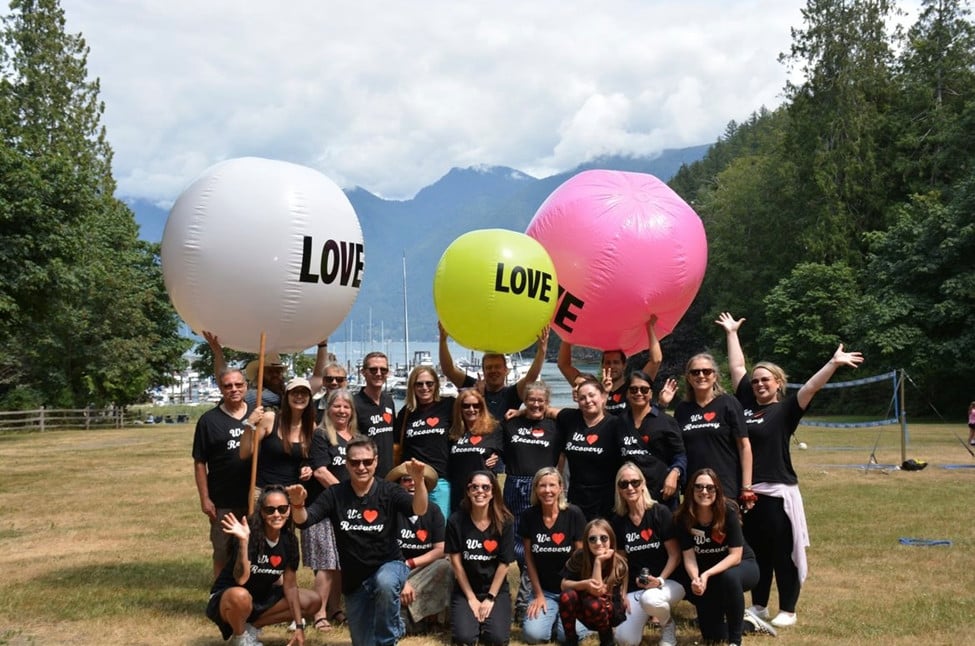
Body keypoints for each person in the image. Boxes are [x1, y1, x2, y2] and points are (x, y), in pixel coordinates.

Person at [718, 312, 864, 628]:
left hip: (778, 492)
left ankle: (788, 608)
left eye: (765, 380)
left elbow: (810, 388)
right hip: (749, 491)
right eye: (756, 381)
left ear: (778, 383)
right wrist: (732, 333)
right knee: (756, 553)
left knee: (783, 552)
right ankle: (758, 605)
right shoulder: (745, 405)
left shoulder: (785, 410)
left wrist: (833, 363)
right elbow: (737, 368)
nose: (758, 384)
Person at [290, 435, 430, 646]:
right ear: (346, 463)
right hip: (355, 581)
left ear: (376, 461)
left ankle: (390, 636)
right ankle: (393, 625)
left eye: (367, 461)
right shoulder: (336, 494)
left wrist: (419, 481)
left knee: (385, 583)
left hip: (389, 565)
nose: (361, 467)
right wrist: (298, 505)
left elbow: (419, 509)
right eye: (355, 462)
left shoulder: (389, 491)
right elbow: (304, 521)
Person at [205, 484, 321, 646]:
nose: (276, 514)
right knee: (241, 596)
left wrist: (299, 627)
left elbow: (291, 587)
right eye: (270, 510)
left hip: (260, 598)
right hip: (229, 599)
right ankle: (239, 638)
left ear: (289, 510)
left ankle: (251, 627)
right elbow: (241, 579)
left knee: (313, 600)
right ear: (261, 511)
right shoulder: (249, 534)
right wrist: (244, 542)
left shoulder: (289, 540)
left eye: (282, 509)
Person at [502, 381, 567, 620]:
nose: (536, 404)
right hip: (515, 486)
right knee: (518, 543)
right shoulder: (511, 424)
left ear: (547, 403)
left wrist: (557, 484)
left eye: (541, 400)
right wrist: (519, 413)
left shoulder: (555, 426)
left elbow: (561, 456)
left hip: (544, 487)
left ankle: (526, 599)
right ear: (524, 401)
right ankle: (526, 593)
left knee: (539, 540)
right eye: (531, 400)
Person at [674, 469, 759, 646]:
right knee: (711, 635)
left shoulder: (727, 511)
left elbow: (735, 556)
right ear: (691, 490)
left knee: (729, 577)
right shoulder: (683, 517)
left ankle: (735, 641)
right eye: (699, 487)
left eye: (710, 488)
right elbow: (688, 556)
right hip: (709, 573)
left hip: (741, 566)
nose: (704, 492)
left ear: (717, 490)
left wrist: (706, 575)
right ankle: (749, 623)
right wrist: (696, 579)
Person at [611, 463, 685, 646]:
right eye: (624, 484)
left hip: (668, 582)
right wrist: (622, 594)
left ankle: (667, 626)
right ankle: (645, 614)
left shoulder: (660, 513)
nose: (630, 487)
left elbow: (675, 555)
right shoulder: (618, 521)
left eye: (635, 482)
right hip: (637, 590)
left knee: (651, 598)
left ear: (643, 484)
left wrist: (659, 580)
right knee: (625, 640)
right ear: (619, 490)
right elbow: (622, 563)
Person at [304, 388, 358, 632]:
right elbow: (320, 471)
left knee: (339, 561)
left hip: (347, 509)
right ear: (328, 408)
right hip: (324, 506)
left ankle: (336, 608)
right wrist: (350, 495)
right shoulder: (321, 434)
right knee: (326, 561)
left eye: (346, 406)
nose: (342, 410)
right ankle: (319, 613)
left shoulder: (356, 437)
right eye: (337, 406)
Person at [193, 368, 254, 577]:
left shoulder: (257, 415)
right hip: (222, 499)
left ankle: (250, 591)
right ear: (220, 389)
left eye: (238, 384)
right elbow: (200, 462)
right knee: (222, 550)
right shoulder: (208, 421)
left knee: (252, 548)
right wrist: (205, 499)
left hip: (252, 496)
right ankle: (219, 593)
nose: (234, 389)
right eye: (228, 386)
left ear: (246, 386)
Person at [673, 354, 754, 508]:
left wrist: (747, 487)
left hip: (725, 486)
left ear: (715, 376)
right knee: (697, 532)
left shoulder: (728, 403)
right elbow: (678, 450)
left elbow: (744, 446)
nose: (701, 375)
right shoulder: (682, 410)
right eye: (695, 372)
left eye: (706, 371)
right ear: (688, 378)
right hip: (695, 487)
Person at [445, 470, 515, 646]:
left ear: (493, 493)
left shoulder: (505, 521)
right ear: (468, 491)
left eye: (485, 487)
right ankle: (473, 622)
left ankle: (488, 620)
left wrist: (490, 598)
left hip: (495, 590)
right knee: (465, 639)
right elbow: (456, 563)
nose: (480, 491)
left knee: (497, 640)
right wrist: (471, 598)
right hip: (466, 589)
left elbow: (504, 563)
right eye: (474, 487)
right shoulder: (456, 520)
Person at [519, 467, 588, 644]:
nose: (547, 490)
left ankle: (565, 617)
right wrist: (538, 594)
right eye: (542, 486)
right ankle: (552, 614)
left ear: (560, 488)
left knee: (569, 637)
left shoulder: (574, 514)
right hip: (546, 592)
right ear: (535, 489)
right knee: (534, 636)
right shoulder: (529, 516)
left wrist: (578, 592)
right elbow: (529, 559)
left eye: (552, 485)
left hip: (572, 590)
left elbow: (581, 558)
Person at [386, 462, 451, 635]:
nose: (412, 483)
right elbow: (383, 549)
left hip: (421, 570)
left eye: (418, 479)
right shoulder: (391, 510)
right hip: (392, 567)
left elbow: (441, 549)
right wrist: (401, 576)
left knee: (446, 565)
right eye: (407, 480)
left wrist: (409, 563)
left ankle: (411, 613)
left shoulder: (434, 510)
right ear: (399, 485)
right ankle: (417, 619)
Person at [439, 322, 549, 421]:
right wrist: (443, 341)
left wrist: (541, 351)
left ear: (506, 370)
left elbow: (531, 377)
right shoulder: (474, 388)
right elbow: (448, 370)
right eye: (489, 367)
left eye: (497, 367)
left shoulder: (512, 394)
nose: (493, 370)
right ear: (483, 370)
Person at [557, 317, 663, 416]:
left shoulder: (633, 388)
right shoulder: (594, 390)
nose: (611, 366)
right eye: (607, 362)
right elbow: (564, 365)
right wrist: (567, 334)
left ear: (624, 365)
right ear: (602, 365)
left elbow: (656, 361)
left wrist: (649, 327)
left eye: (616, 362)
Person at [557, 376, 624, 520]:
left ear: (603, 397)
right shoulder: (570, 418)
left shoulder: (616, 425)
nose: (588, 401)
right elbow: (545, 410)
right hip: (576, 497)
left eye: (592, 395)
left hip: (606, 499)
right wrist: (520, 412)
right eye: (582, 398)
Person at [394, 365, 456, 517]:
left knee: (439, 528)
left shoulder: (449, 405)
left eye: (429, 383)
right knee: (412, 529)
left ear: (436, 384)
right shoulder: (406, 412)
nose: (424, 387)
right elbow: (396, 444)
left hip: (439, 480)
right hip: (412, 481)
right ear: (412, 387)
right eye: (419, 384)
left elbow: (475, 417)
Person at [619, 370, 685, 510]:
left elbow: (680, 455)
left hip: (662, 493)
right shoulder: (619, 423)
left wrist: (674, 473)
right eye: (633, 389)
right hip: (630, 494)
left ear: (651, 393)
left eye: (644, 389)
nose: (639, 393)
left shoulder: (666, 421)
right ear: (627, 393)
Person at [559, 518, 629, 646]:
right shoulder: (579, 556)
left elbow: (597, 591)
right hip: (584, 609)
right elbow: (563, 584)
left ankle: (606, 638)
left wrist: (598, 561)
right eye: (592, 539)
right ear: (586, 542)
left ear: (611, 540)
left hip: (608, 611)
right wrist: (584, 584)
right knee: (566, 596)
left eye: (603, 538)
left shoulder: (618, 564)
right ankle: (571, 639)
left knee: (593, 602)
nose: (598, 543)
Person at [239, 377, 315, 493]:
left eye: (304, 393)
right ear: (287, 396)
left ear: (309, 398)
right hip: (263, 492)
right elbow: (244, 453)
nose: (299, 396)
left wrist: (308, 468)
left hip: (293, 493)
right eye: (295, 392)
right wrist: (249, 424)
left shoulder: (311, 426)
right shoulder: (270, 419)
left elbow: (309, 460)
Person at [448, 388, 503, 512]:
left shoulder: (493, 429)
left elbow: (501, 452)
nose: (471, 409)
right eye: (466, 406)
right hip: (459, 490)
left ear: (482, 407)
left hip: (482, 491)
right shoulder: (453, 432)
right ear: (460, 408)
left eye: (476, 405)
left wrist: (496, 458)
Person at [355, 351, 397, 478]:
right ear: (363, 372)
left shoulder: (388, 400)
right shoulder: (354, 403)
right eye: (373, 370)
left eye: (383, 370)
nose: (379, 374)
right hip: (366, 475)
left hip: (389, 475)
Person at [313, 358, 348, 424]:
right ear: (323, 381)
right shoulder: (313, 407)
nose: (334, 383)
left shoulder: (355, 405)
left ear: (346, 382)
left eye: (339, 379)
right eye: (329, 379)